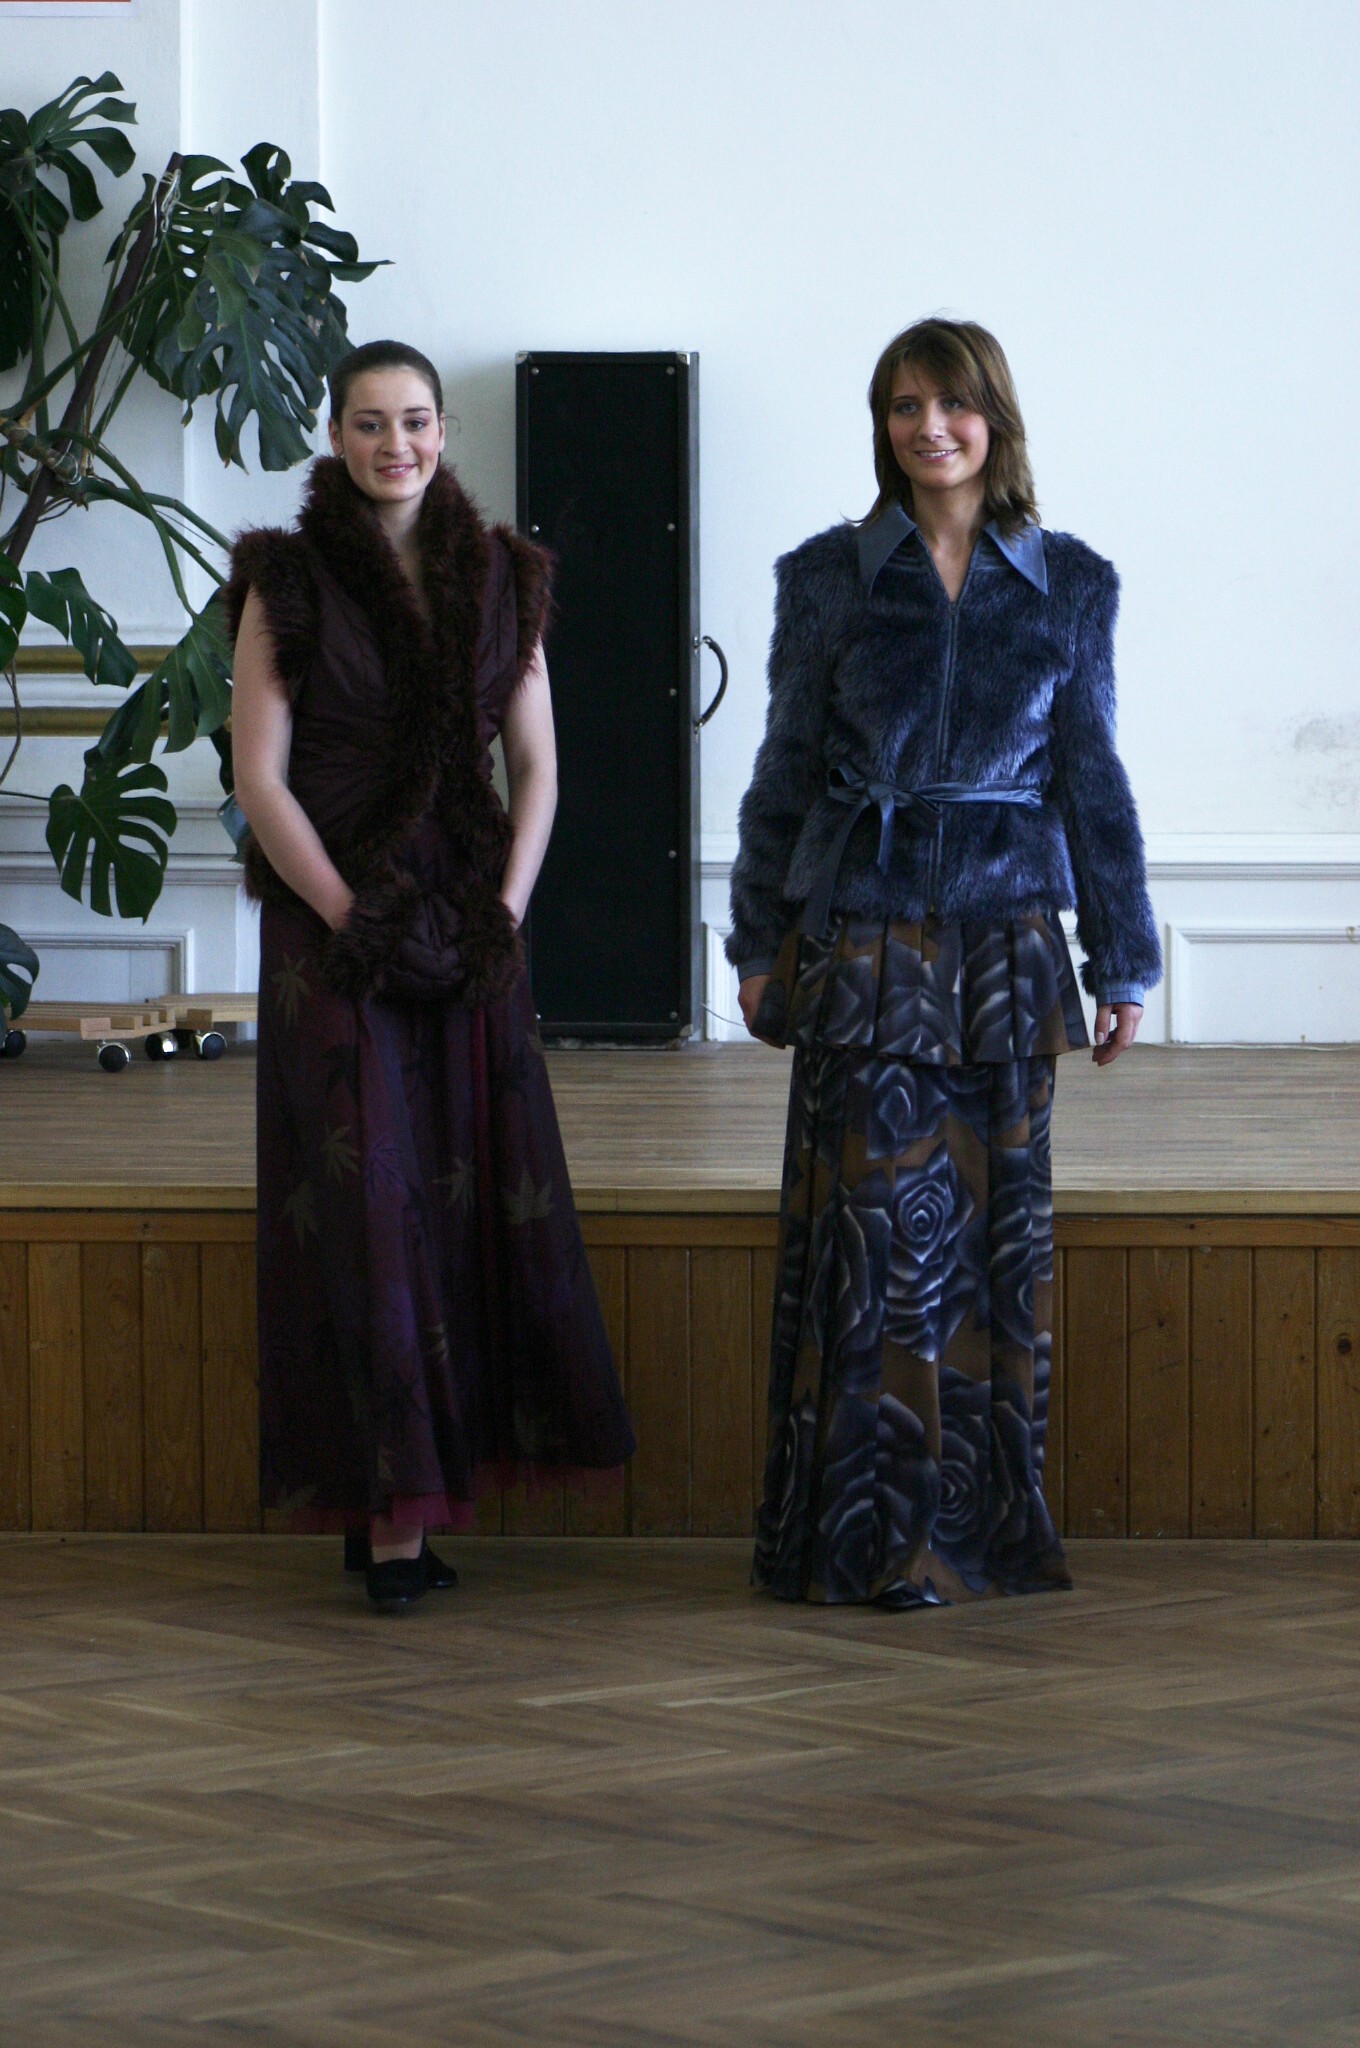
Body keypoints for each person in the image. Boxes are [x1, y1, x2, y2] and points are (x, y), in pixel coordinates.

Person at [728, 317, 1160, 1609]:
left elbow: (1094, 781)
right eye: (905, 406)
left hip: (1009, 953)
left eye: (952, 404)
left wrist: (1122, 957)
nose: (930, 428)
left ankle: (979, 1534)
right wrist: (753, 938)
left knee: (988, 1251)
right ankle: (872, 1542)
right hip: (862, 940)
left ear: (994, 418)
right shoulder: (827, 577)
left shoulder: (1071, 583)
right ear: (883, 426)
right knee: (875, 1252)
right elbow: (783, 769)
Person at [228, 339, 634, 1610]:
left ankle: (404, 1502)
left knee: (462, 1194)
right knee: (366, 1201)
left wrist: (500, 917)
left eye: (412, 420)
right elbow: (258, 780)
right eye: (368, 422)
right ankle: (391, 1523)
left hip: (465, 921)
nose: (392, 443)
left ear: (444, 432)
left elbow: (540, 767)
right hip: (331, 921)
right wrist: (349, 918)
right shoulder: (283, 577)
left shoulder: (506, 574)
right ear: (335, 437)